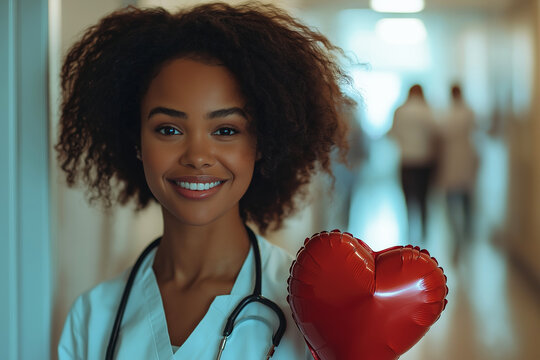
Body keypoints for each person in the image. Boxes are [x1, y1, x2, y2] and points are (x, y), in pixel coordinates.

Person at [55, 3, 351, 359]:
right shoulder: (93, 317)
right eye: (169, 129)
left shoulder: (313, 309)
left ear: (261, 143)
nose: (197, 156)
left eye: (226, 130)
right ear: (136, 141)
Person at [389, 84, 439, 243]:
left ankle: (409, 229)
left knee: (407, 197)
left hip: (407, 160)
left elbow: (393, 133)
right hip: (425, 160)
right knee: (424, 197)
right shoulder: (428, 111)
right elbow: (435, 133)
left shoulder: (400, 111)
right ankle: (425, 232)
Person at [438, 84, 477, 260]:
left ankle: (461, 234)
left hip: (454, 157)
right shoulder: (467, 111)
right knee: (464, 196)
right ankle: (465, 233)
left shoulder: (449, 114)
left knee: (454, 197)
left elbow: (443, 132)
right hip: (463, 155)